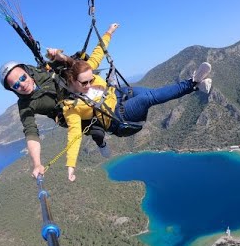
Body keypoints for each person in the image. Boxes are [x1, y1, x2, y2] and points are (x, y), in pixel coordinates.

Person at [50, 25, 212, 182]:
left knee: (153, 93)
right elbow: (74, 135)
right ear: (72, 81)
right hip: (117, 118)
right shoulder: (71, 106)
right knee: (148, 98)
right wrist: (71, 166)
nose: (90, 84)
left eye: (92, 79)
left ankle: (197, 87)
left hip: (121, 95)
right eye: (85, 83)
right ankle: (192, 82)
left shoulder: (85, 70)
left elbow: (98, 51)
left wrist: (109, 32)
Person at [0, 23, 119, 179]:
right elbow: (31, 134)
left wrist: (57, 55)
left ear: (27, 72)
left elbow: (71, 63)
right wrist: (37, 163)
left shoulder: (44, 71)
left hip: (79, 95)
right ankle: (101, 142)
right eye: (15, 85)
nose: (22, 84)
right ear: (12, 90)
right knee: (96, 130)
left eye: (22, 78)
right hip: (69, 114)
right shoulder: (25, 105)